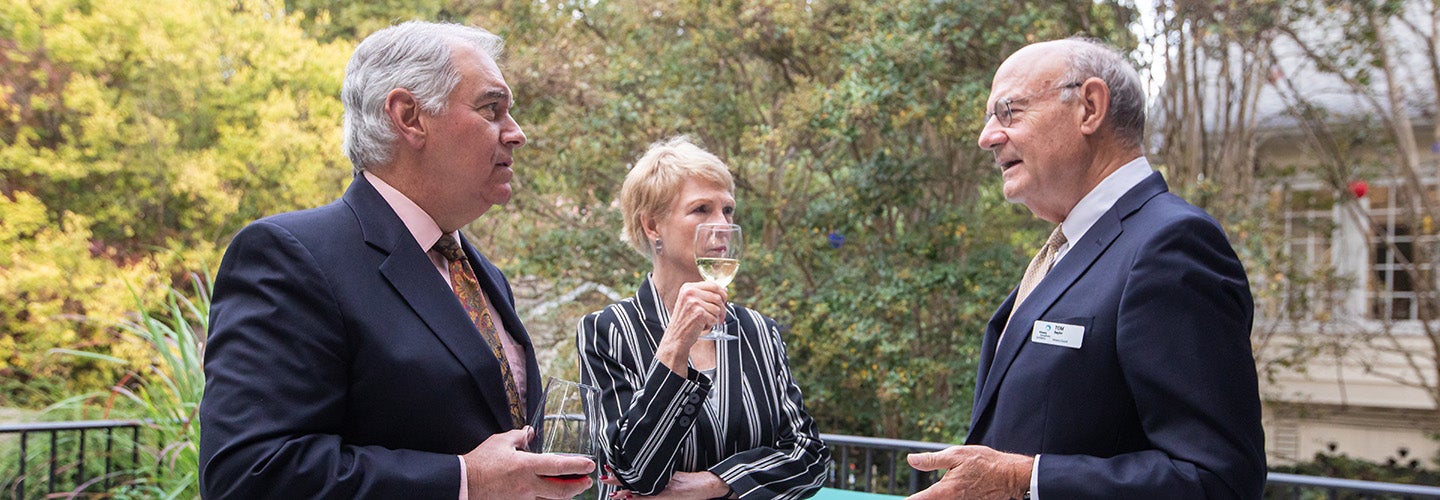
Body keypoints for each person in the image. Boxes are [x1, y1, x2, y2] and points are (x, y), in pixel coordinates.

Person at [199, 21, 594, 499]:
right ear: (409, 117)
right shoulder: (289, 256)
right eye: (492, 109)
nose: (517, 134)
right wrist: (465, 480)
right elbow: (248, 475)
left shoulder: (483, 273)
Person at [906, 38, 1266, 499]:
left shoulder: (1172, 244)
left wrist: (1022, 479)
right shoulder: (1072, 248)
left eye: (1009, 111)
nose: (988, 136)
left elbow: (1219, 480)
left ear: (1090, 107)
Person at [576, 136, 831, 499]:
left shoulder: (759, 331)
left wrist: (714, 483)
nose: (722, 224)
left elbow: (810, 457)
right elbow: (631, 471)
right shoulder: (607, 331)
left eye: (728, 210)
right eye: (701, 210)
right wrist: (675, 344)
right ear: (652, 226)